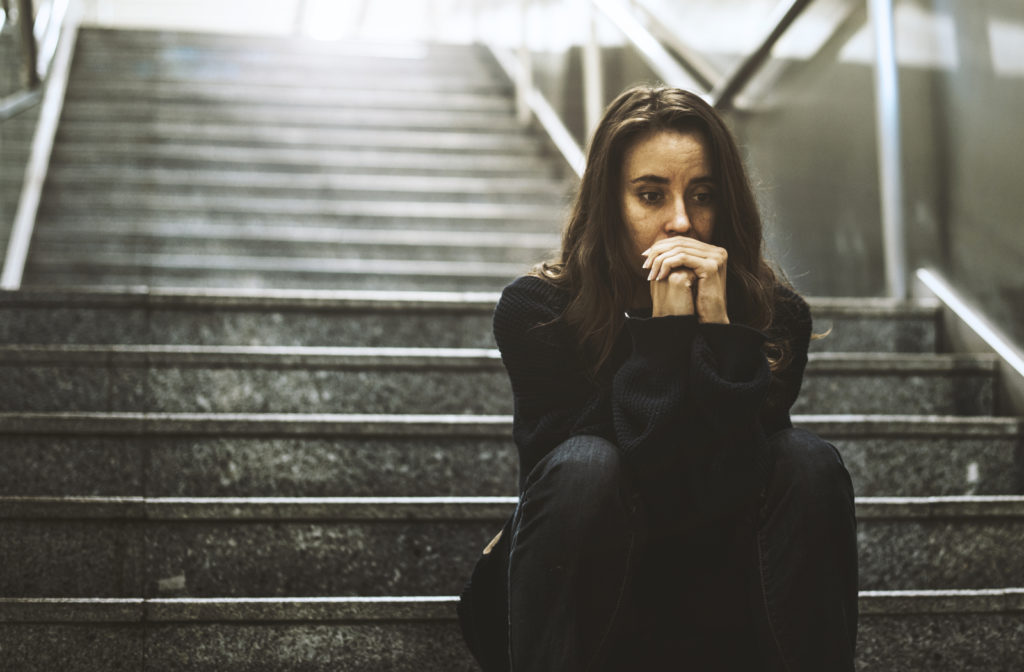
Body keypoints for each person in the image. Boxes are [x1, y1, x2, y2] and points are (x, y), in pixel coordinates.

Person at [457, 85, 858, 672]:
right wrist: (666, 333)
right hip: (596, 605)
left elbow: (728, 476)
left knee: (808, 460)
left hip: (724, 603)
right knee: (586, 464)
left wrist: (721, 334)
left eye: (703, 195)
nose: (682, 223)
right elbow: (583, 482)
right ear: (609, 204)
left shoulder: (775, 317)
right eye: (651, 195)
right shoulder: (537, 310)